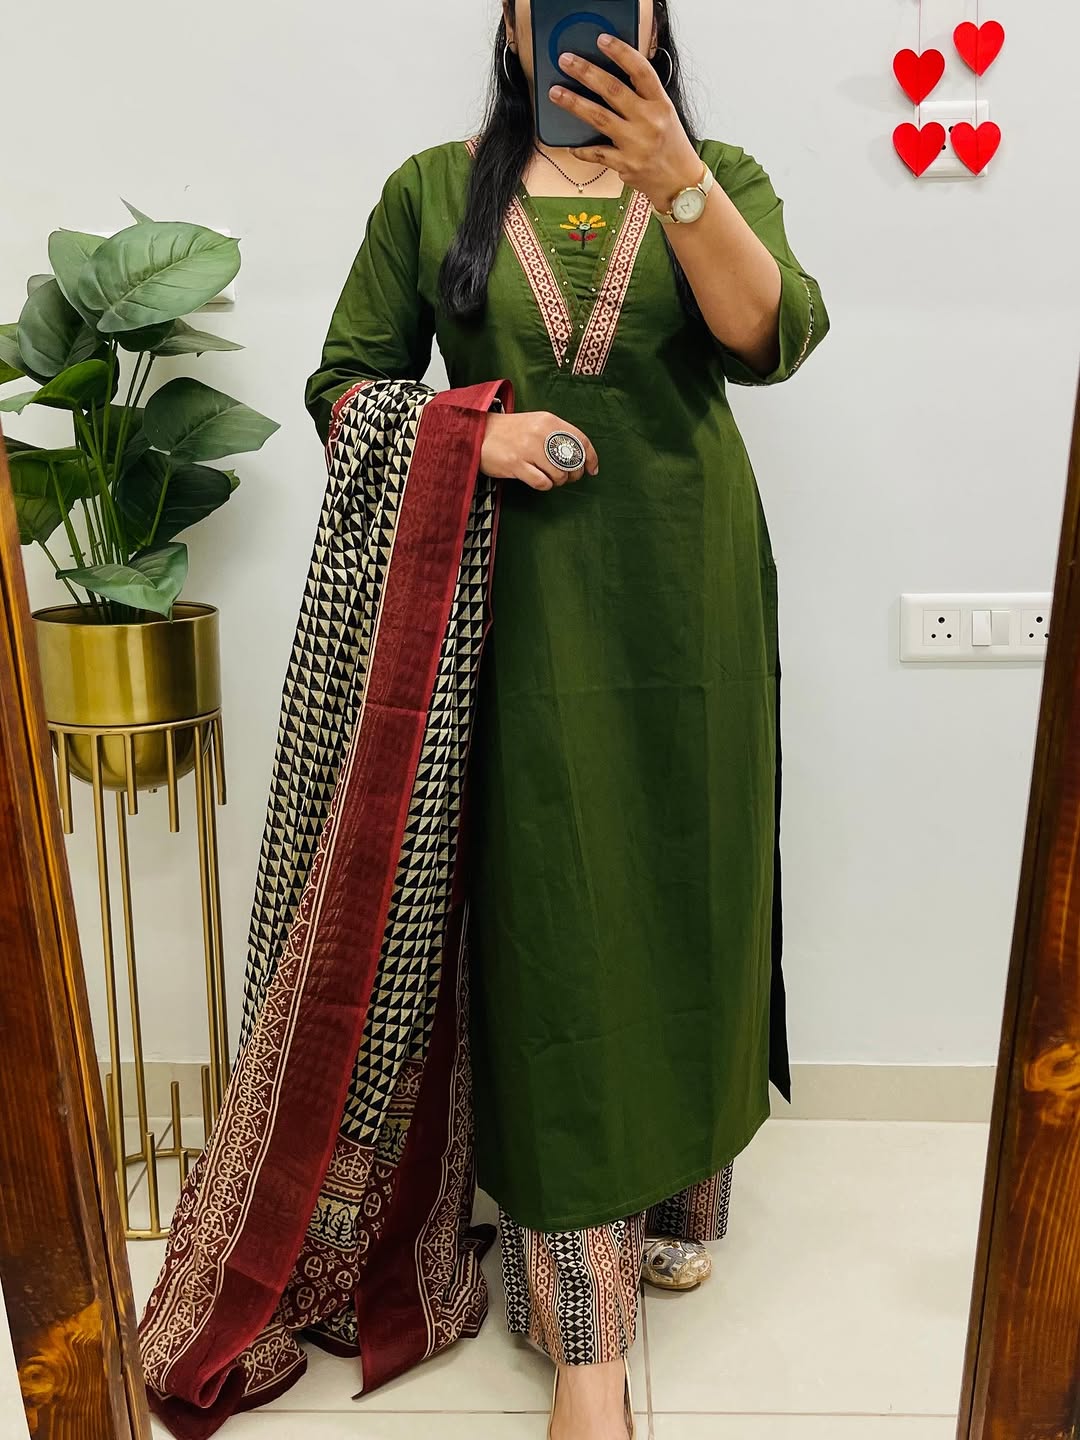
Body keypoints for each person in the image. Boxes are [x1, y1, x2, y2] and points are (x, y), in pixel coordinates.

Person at [138, 4, 828, 1438]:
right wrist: (476, 431)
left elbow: (772, 339)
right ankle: (587, 1345)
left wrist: (676, 178)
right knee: (557, 923)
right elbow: (346, 384)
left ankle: (679, 1193)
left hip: (691, 607)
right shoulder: (430, 189)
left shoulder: (724, 176)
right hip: (514, 618)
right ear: (511, 23)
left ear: (655, 18)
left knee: (688, 893)